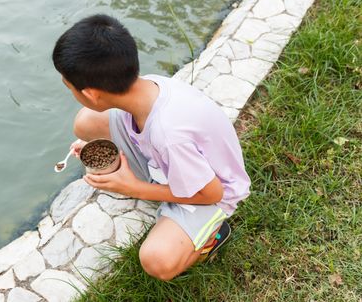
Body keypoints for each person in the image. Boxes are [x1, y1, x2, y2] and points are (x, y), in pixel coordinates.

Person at [52, 14, 251, 281]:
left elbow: (211, 193)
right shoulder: (147, 85)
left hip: (214, 191)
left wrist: (132, 187)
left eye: (70, 88)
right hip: (171, 160)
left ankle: (213, 236)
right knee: (86, 123)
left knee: (157, 261)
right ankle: (152, 177)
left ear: (90, 93)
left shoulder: (169, 135)